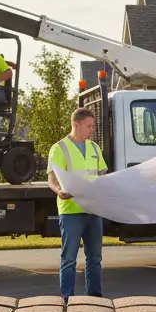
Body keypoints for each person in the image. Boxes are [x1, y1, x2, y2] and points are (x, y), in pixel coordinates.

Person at [47, 108, 107, 299]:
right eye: (89, 126)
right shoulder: (59, 148)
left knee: (95, 258)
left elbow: (102, 176)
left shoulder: (95, 148)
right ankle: (67, 300)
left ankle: (95, 298)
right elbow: (52, 179)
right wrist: (58, 191)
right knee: (69, 259)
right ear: (76, 125)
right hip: (71, 211)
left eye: (92, 126)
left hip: (93, 210)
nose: (92, 130)